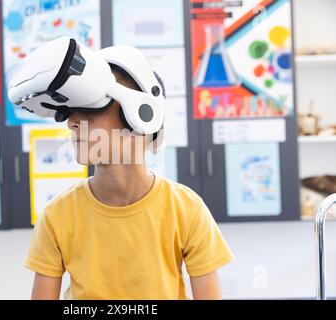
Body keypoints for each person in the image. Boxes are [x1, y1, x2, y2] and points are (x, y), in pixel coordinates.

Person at [24, 45, 234, 300]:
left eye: (91, 106)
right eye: (70, 110)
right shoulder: (57, 216)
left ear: (141, 114)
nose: (72, 122)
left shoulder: (187, 210)